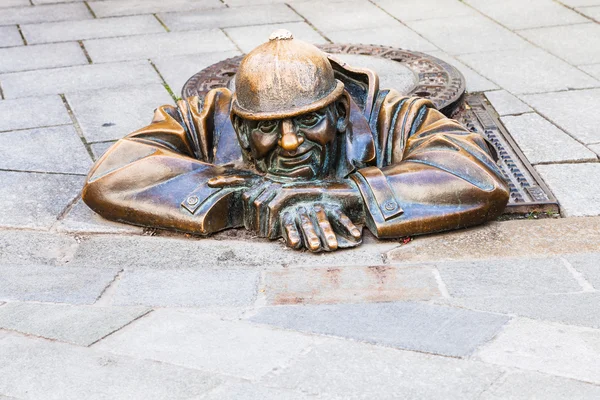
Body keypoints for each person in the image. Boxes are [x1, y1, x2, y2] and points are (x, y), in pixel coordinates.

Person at [82, 30, 509, 252]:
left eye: (309, 121)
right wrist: (245, 198)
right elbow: (113, 175)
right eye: (267, 127)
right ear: (240, 123)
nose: (289, 143)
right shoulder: (209, 116)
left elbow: (477, 174)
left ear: (340, 112)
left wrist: (345, 194)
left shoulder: (391, 115)